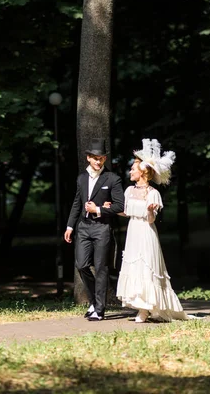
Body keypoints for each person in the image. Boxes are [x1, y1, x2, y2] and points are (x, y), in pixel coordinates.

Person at [114, 138, 191, 323]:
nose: (130, 170)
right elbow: (127, 211)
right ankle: (141, 307)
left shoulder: (153, 193)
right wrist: (112, 208)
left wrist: (149, 210)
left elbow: (151, 219)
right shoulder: (128, 191)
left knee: (147, 266)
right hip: (133, 232)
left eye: (133, 168)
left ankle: (148, 307)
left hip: (146, 233)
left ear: (143, 172)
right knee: (135, 266)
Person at [64, 138, 124, 321]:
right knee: (81, 265)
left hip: (102, 228)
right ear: (88, 158)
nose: (99, 162)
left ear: (105, 159)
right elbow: (77, 203)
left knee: (101, 268)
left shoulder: (112, 179)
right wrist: (70, 226)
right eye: (95, 158)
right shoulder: (81, 178)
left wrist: (98, 209)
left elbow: (120, 206)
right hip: (83, 227)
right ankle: (93, 302)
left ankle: (99, 309)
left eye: (102, 158)